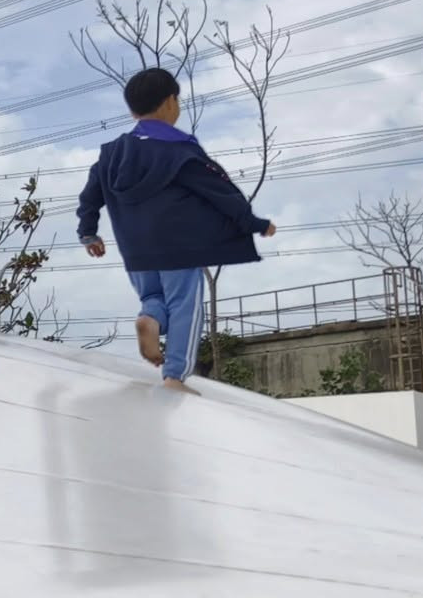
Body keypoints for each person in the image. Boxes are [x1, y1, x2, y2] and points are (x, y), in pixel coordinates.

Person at [76, 66, 275, 392]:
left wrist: (89, 233)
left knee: (154, 297)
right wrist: (255, 223)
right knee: (185, 303)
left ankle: (149, 320)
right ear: (170, 102)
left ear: (132, 109)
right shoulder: (179, 149)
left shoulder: (110, 153)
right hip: (179, 245)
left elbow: (90, 196)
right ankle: (175, 375)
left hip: (135, 248)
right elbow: (219, 190)